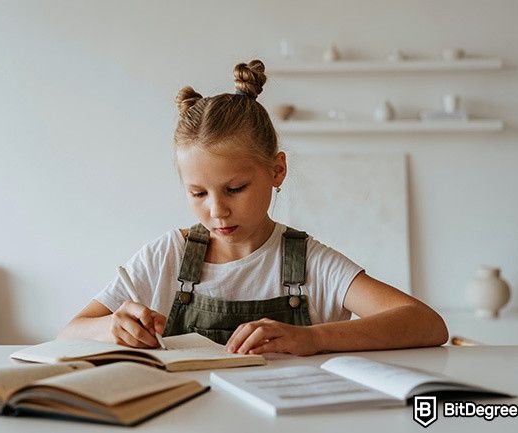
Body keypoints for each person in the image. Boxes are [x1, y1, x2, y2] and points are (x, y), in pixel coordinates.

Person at [59, 60, 448, 356]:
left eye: (235, 188)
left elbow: (427, 324)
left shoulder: (309, 262)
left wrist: (311, 337)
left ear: (276, 170)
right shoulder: (167, 256)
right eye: (198, 194)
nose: (217, 211)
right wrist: (112, 327)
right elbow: (70, 331)